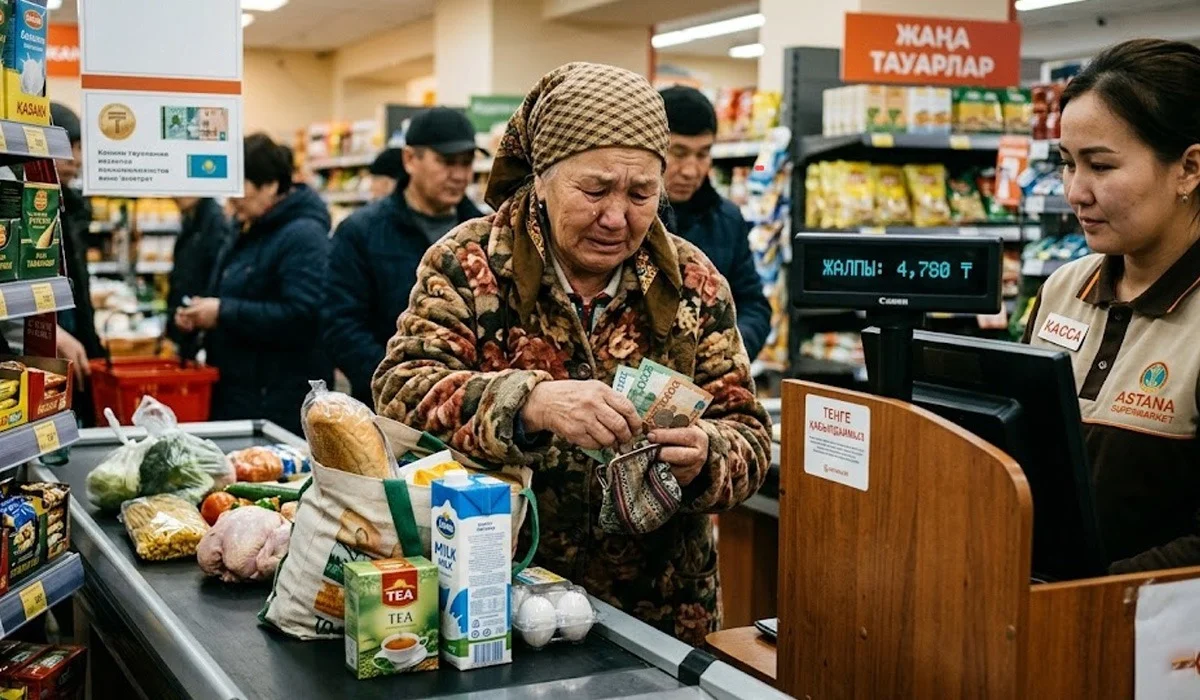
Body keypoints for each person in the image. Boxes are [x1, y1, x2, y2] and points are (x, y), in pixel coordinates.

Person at [373, 63, 771, 645]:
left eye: (641, 194)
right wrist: (529, 401)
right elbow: (400, 391)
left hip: (655, 616)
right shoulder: (468, 263)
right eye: (595, 190)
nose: (617, 217)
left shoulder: (692, 281)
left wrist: (708, 454)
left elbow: (750, 436)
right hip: (489, 601)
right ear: (541, 178)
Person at [1022, 39, 1200, 573]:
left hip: (1157, 641)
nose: (1075, 191)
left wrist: (1079, 600)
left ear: (1189, 169)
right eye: (1067, 164)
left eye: (1100, 165)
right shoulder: (1062, 290)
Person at [323, 108, 483, 405]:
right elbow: (341, 325)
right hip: (387, 410)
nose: (460, 175)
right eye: (447, 162)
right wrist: (400, 384)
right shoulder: (361, 232)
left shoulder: (482, 234)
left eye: (467, 162)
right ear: (410, 159)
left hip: (469, 413)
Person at [175, 133, 330, 434]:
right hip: (241, 391)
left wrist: (223, 312)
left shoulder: (304, 237)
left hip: (277, 402)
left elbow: (303, 314)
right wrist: (200, 314)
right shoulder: (246, 227)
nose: (231, 199)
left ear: (270, 185)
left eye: (238, 188)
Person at [659, 86, 772, 361]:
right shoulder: (626, 218)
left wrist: (727, 351)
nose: (691, 170)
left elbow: (753, 304)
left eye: (702, 154)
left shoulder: (728, 219)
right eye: (679, 152)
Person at [49, 103, 102, 414]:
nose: (77, 160)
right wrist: (50, 333)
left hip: (72, 359)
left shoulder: (70, 209)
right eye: (69, 147)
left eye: (80, 148)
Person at [166, 197, 231, 356]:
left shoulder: (214, 222)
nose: (174, 194)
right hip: (187, 321)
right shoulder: (190, 220)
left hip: (200, 327)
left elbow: (213, 277)